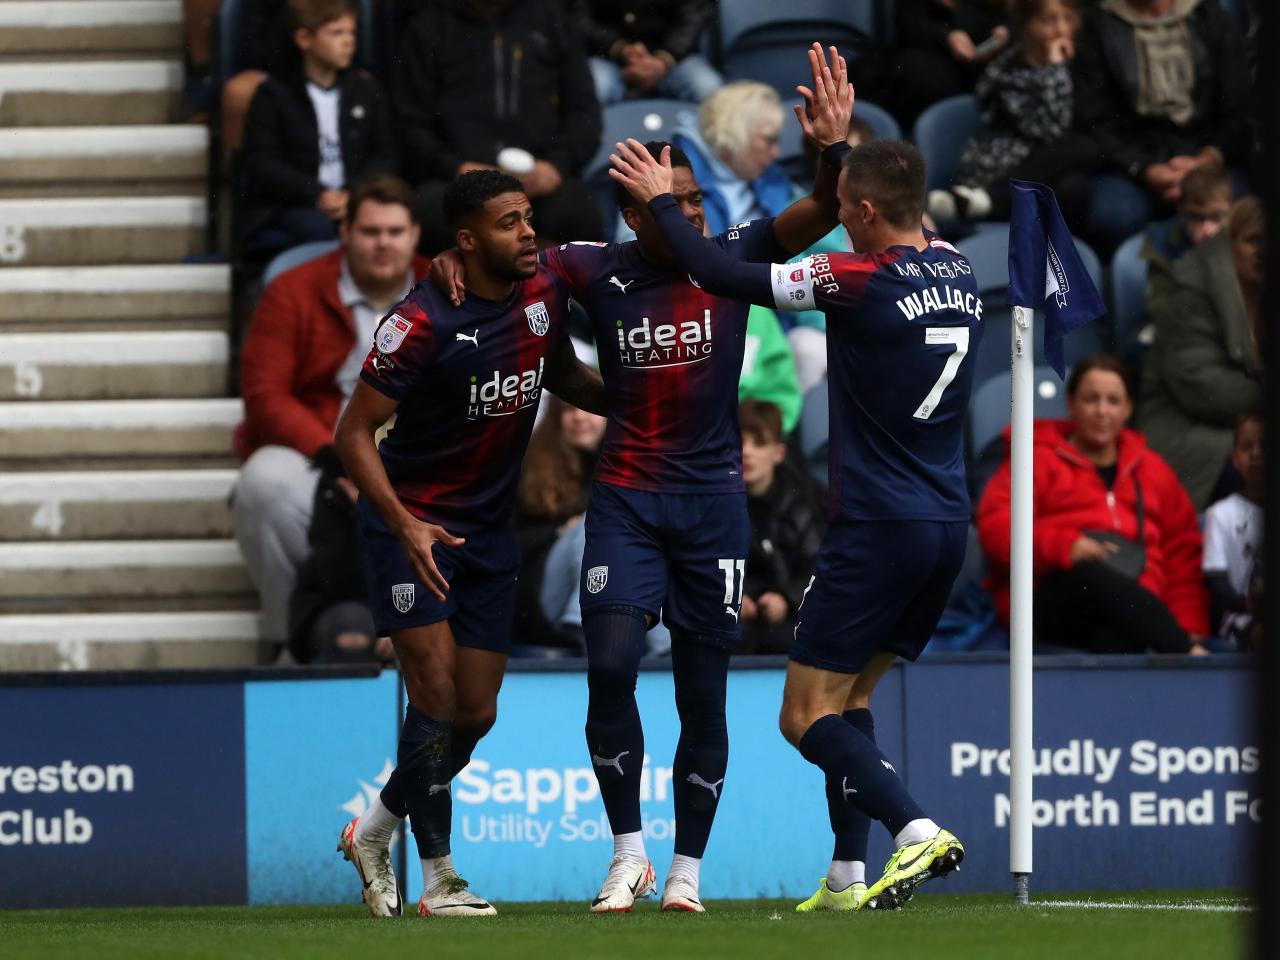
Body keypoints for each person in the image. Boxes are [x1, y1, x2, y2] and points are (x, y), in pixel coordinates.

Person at [430, 43, 855, 913]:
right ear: (632, 214)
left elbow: (821, 207)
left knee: (705, 694)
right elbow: (504, 264)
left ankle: (690, 872)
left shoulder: (732, 257)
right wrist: (448, 265)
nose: (691, 214)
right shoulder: (596, 269)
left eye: (695, 199)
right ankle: (628, 853)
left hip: (714, 508)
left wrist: (833, 148)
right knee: (613, 666)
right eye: (670, 205)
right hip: (625, 500)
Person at [609, 136, 979, 912]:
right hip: (946, 524)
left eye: (845, 210)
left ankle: (915, 830)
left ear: (869, 213)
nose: (836, 220)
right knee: (848, 699)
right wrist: (840, 149)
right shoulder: (958, 266)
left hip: (875, 525)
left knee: (803, 714)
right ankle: (847, 875)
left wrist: (662, 202)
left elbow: (716, 273)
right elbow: (877, 203)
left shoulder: (854, 279)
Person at [333, 171, 606, 918]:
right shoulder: (418, 323)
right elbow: (350, 433)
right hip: (412, 528)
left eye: (530, 218)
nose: (529, 234)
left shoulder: (545, 291)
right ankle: (440, 877)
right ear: (465, 240)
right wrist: (402, 522)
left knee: (475, 714)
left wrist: (648, 399)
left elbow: (565, 375)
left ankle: (375, 830)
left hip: (488, 532)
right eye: (510, 223)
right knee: (437, 697)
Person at [232, 174, 429, 651]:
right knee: (265, 481)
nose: (383, 244)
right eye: (370, 232)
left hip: (418, 462)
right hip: (323, 456)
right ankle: (288, 641)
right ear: (344, 232)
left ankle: (436, 638)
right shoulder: (293, 290)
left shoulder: (444, 288)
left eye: (395, 232)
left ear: (415, 235)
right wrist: (339, 459)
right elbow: (264, 394)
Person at [977, 354, 1210, 654]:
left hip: (1133, 607)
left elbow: (1182, 553)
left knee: (1115, 643)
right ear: (1071, 403)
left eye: (1113, 401)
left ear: (1128, 409)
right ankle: (1182, 653)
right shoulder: (1035, 458)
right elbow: (997, 526)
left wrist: (1189, 626)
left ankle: (1175, 643)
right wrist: (1065, 547)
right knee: (1091, 575)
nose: (1102, 411)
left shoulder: (1153, 470)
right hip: (1050, 595)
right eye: (1091, 399)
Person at [393, 0, 604, 255]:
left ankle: (558, 293)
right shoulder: (429, 26)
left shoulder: (552, 20)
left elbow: (584, 113)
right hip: (456, 180)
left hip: (539, 181)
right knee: (429, 215)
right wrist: (455, 167)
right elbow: (410, 123)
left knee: (579, 213)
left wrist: (555, 167)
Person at [1071, 0, 1250, 253]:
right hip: (1130, 165)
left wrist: (1209, 159)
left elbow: (1237, 107)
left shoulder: (1209, 17)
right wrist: (1145, 169)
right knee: (1112, 218)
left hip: (1207, 156)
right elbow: (1093, 122)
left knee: (1242, 212)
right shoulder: (1097, 24)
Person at [1139, 196, 1264, 509]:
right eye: (1254, 241)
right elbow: (1201, 383)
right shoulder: (1192, 284)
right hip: (1191, 426)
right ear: (1229, 243)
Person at [240, 0, 397, 246]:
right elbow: (263, 162)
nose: (348, 41)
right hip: (296, 203)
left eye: (351, 32)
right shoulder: (273, 94)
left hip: (356, 199)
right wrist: (317, 194)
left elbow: (384, 155)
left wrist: (352, 192)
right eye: (336, 33)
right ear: (304, 39)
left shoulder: (366, 90)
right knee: (320, 230)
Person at [927, 0, 1089, 227]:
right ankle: (983, 203)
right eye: (1048, 21)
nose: (1061, 29)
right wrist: (1055, 70)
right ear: (1027, 25)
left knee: (1076, 186)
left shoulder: (1085, 62)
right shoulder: (1009, 69)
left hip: (1050, 166)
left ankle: (987, 202)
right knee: (1078, 157)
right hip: (1008, 159)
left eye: (1068, 19)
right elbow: (1048, 131)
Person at [514, 396, 606, 649]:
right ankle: (588, 629)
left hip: (621, 591)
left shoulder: (629, 469)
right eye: (568, 409)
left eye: (590, 408)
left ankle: (664, 646)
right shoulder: (528, 469)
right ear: (555, 419)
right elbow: (504, 545)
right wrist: (559, 531)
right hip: (540, 599)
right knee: (596, 524)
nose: (578, 416)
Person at [738, 401, 825, 654]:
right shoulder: (713, 506)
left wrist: (787, 599)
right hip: (732, 616)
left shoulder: (806, 503)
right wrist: (731, 597)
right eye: (739, 443)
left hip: (792, 619)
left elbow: (818, 567)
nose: (747, 453)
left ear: (779, 453)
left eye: (759, 443)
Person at [881, 0, 1011, 128]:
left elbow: (1013, 18)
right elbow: (909, 23)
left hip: (982, 58)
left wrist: (1005, 32)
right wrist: (947, 37)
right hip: (931, 56)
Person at [572, 1, 722, 105]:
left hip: (676, 56)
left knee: (709, 88)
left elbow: (694, 16)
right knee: (594, 88)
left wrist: (664, 59)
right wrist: (620, 48)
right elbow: (581, 17)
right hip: (609, 56)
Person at [1141, 162, 1233, 328]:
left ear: (1232, 211)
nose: (1208, 230)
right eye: (1196, 217)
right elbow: (1160, 309)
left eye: (1217, 217)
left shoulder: (1245, 242)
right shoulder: (1163, 243)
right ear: (1181, 212)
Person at [1203, 414, 1263, 649]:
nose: (1257, 453)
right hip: (1240, 618)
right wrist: (1251, 605)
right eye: (1247, 447)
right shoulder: (1221, 513)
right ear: (1234, 458)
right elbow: (1216, 581)